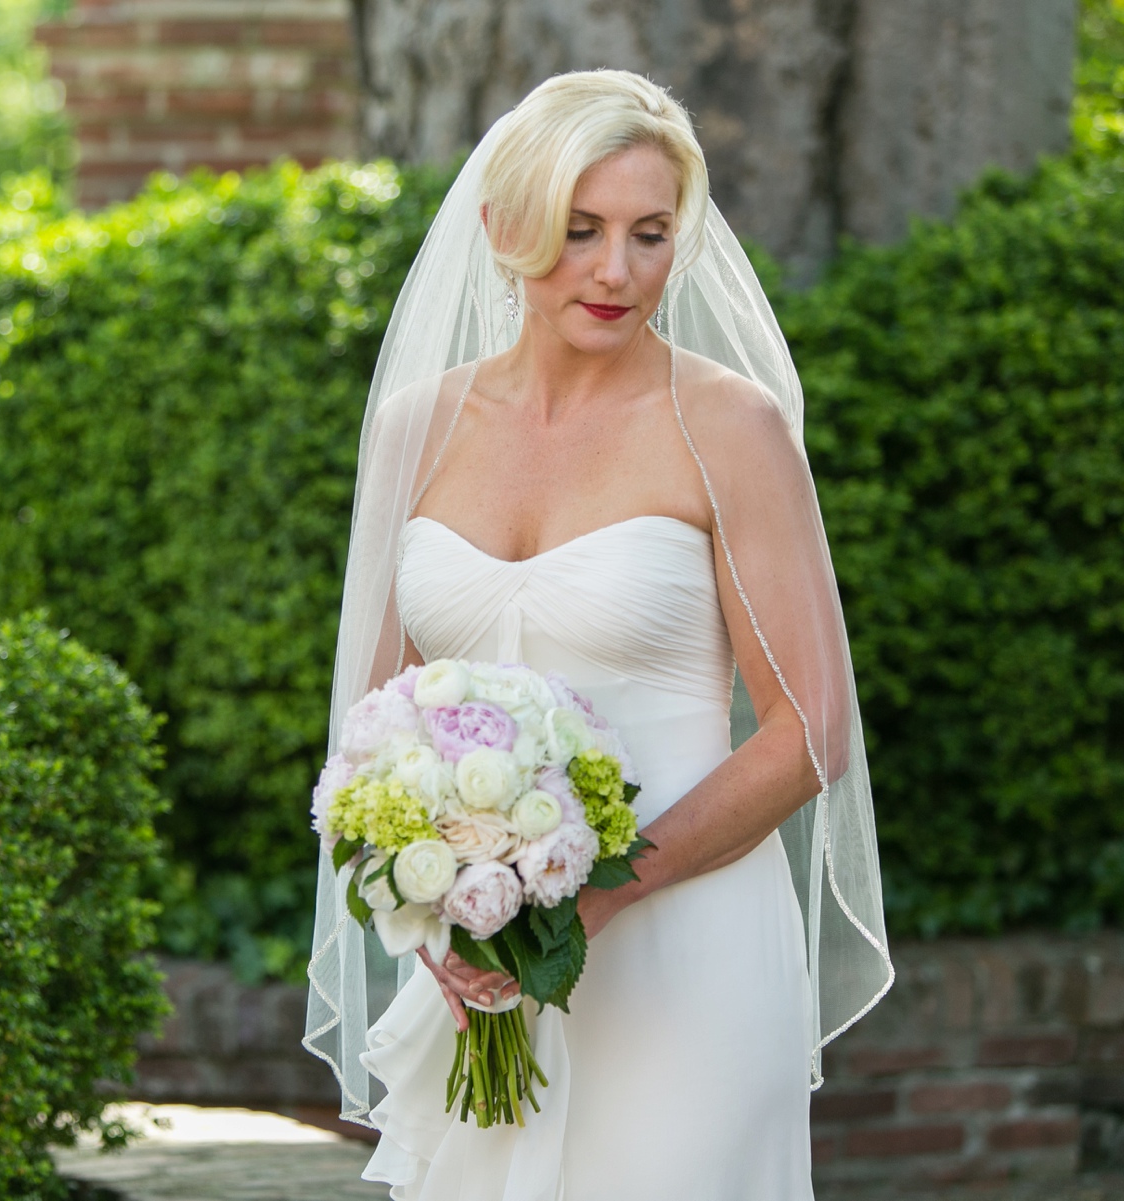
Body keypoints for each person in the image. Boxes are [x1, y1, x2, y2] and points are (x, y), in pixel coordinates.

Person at [303, 70, 894, 1200]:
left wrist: (597, 897)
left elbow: (809, 731)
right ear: (503, 227)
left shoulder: (728, 425)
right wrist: (430, 904)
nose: (617, 270)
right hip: (484, 964)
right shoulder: (416, 428)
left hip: (690, 953)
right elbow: (379, 728)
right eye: (580, 230)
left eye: (649, 234)